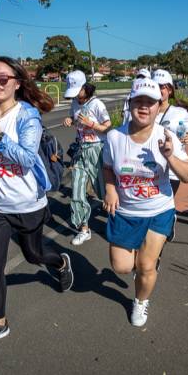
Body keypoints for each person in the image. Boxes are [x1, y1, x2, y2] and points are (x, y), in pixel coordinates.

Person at [0, 56, 74, 351]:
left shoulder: (27, 116)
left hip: (27, 204)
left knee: (34, 255)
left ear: (17, 83)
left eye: (3, 78)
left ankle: (59, 262)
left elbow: (25, 157)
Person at [103, 78, 188, 327]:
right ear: (130, 104)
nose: (144, 107)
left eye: (150, 103)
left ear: (158, 107)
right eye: (139, 101)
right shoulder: (114, 137)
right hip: (125, 211)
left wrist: (170, 157)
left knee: (145, 265)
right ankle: (146, 265)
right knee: (122, 267)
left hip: (159, 209)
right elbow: (108, 167)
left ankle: (141, 301)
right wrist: (110, 190)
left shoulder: (167, 138)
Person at [62, 70, 111, 246]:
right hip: (81, 150)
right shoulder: (75, 103)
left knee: (103, 191)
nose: (76, 96)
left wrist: (91, 124)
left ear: (85, 87)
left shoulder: (97, 104)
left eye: (78, 91)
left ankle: (115, 221)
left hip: (97, 150)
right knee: (76, 189)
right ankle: (84, 229)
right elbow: (74, 119)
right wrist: (69, 120)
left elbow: (107, 127)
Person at [151, 69, 188, 195]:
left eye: (161, 87)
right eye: (155, 86)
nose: (158, 90)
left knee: (165, 201)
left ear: (169, 90)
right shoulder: (145, 112)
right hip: (149, 167)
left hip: (172, 168)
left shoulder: (180, 112)